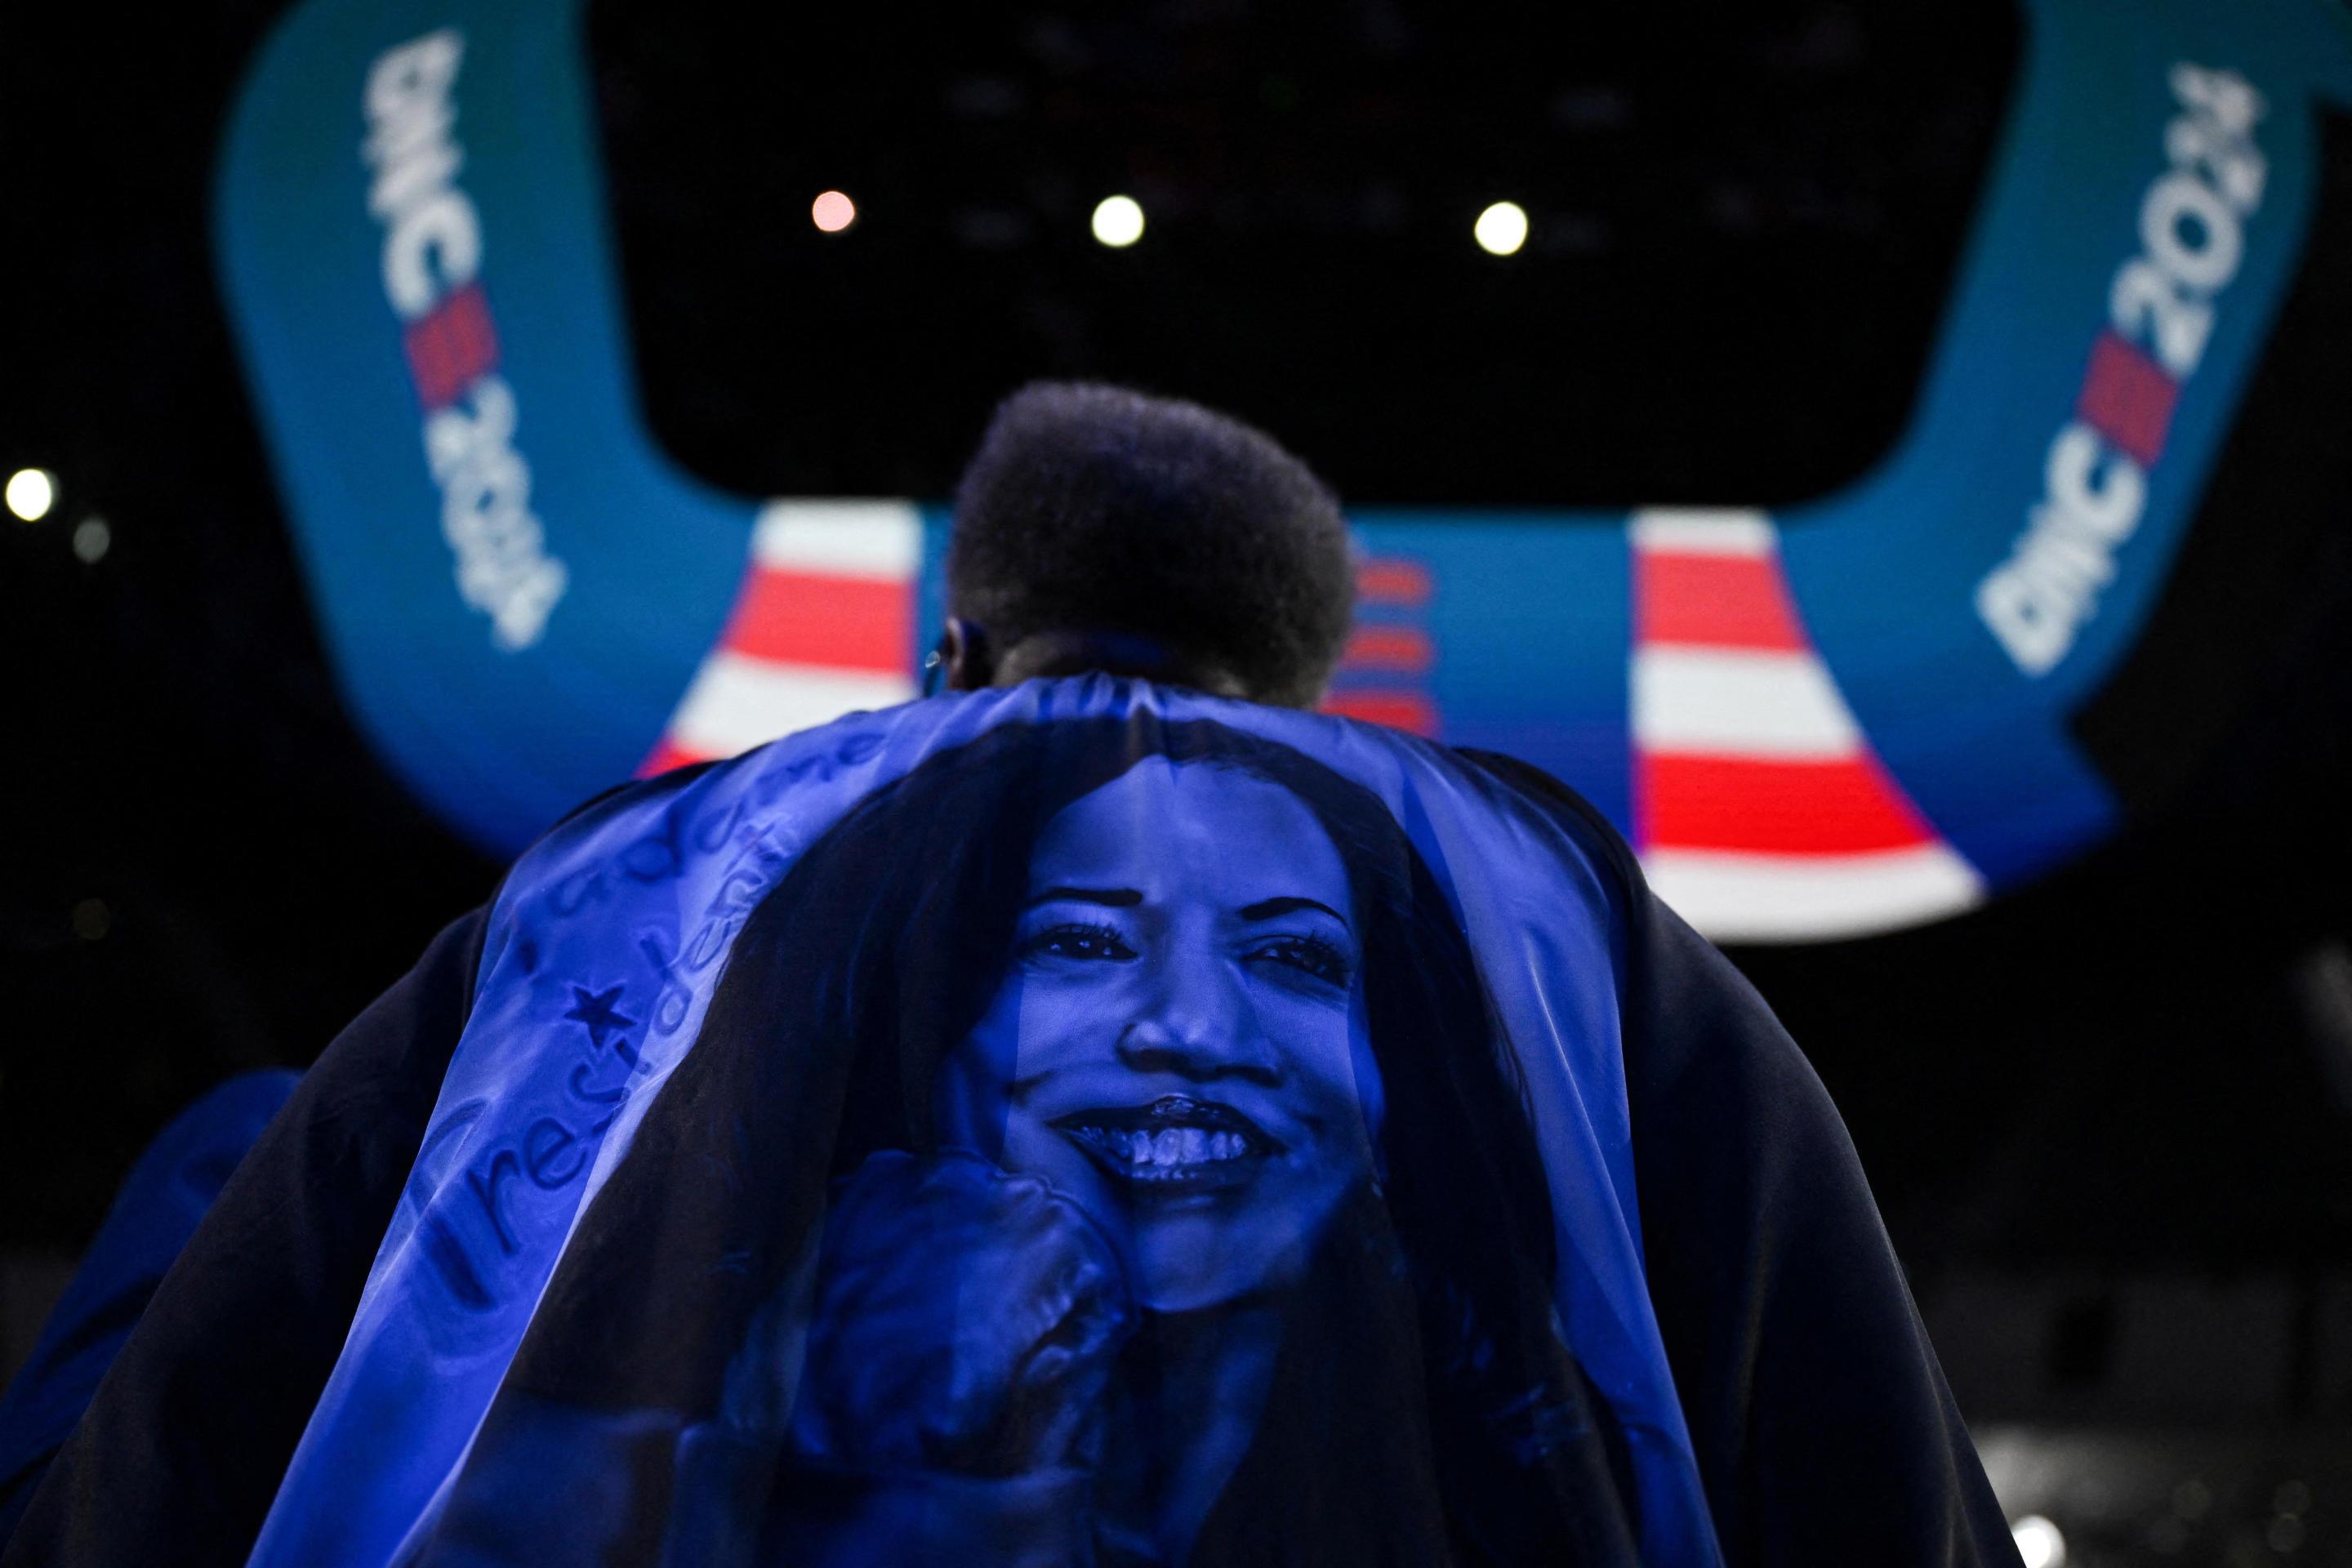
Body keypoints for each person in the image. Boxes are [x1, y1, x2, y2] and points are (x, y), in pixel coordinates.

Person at [1, 385, 2020, 1568]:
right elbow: (1872, 1485)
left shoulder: (612, 887)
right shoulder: (1547, 903)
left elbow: (187, 1448)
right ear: (1309, 702)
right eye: (1072, 939)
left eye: (1281, 952)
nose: (1181, 1023)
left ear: (956, 655)